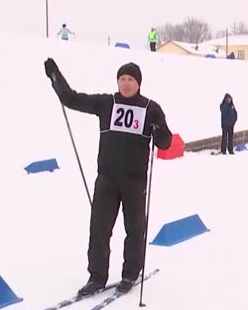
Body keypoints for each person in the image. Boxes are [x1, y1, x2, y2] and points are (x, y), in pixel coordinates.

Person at [43, 58, 173, 294]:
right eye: (122, 78)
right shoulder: (107, 103)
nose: (125, 83)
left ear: (138, 83)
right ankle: (97, 276)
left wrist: (159, 129)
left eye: (130, 79)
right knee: (99, 228)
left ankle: (130, 274)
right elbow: (71, 99)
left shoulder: (150, 108)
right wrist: (55, 77)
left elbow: (165, 143)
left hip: (135, 181)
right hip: (107, 178)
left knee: (134, 229)